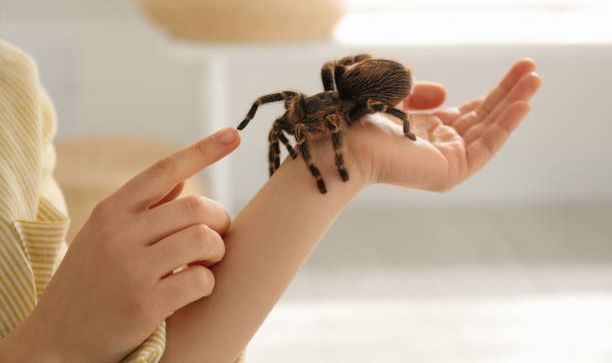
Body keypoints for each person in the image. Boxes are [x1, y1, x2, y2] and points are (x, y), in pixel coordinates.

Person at [0, 39, 541, 362]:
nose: (294, 124)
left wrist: (348, 161)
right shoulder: (314, 109)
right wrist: (49, 344)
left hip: (358, 95)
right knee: (282, 123)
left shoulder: (13, 85)